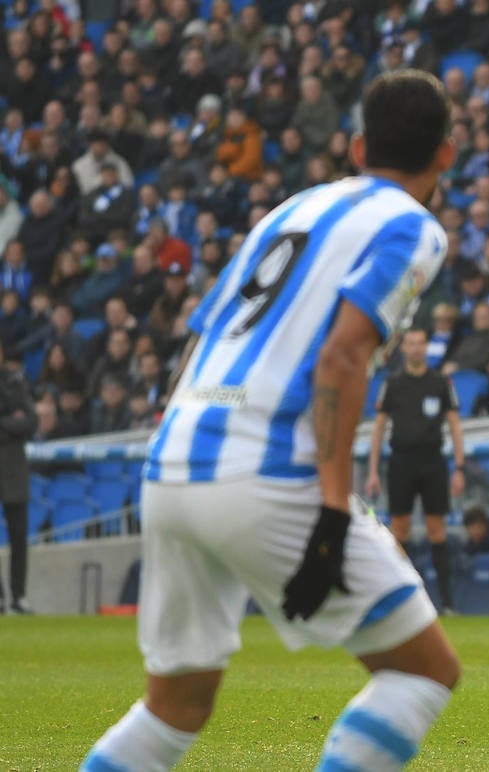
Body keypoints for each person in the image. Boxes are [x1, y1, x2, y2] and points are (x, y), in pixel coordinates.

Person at [82, 71, 461, 772]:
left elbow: (205, 334)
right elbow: (343, 357)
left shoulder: (288, 211)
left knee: (176, 706)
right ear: (447, 152)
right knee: (422, 670)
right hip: (265, 470)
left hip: (173, 461)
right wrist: (331, 509)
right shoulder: (412, 227)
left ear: (354, 146)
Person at [365, 326, 467, 613]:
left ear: (426, 348)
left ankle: (446, 602)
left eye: (421, 343)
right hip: (401, 461)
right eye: (410, 343)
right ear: (404, 348)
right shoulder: (393, 383)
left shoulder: (440, 382)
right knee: (399, 530)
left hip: (433, 461)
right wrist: (373, 471)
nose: (416, 348)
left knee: (437, 530)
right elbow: (379, 428)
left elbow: (455, 426)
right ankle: (403, 602)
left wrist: (459, 466)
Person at [0, 344, 36, 614]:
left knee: (19, 537)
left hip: (14, 471)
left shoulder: (15, 382)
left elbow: (31, 422)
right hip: (11, 459)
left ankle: (19, 596)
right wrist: (12, 422)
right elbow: (20, 424)